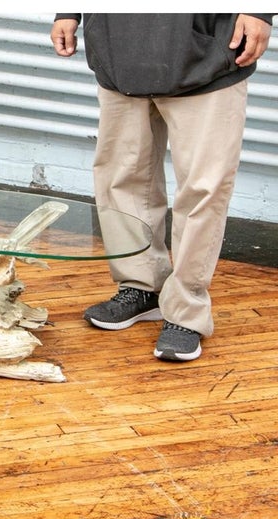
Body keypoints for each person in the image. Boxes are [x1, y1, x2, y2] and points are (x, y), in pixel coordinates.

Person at [50, 14, 274, 361]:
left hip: (206, 50)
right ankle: (141, 285)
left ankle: (186, 310)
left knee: (202, 190)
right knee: (121, 177)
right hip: (118, 51)